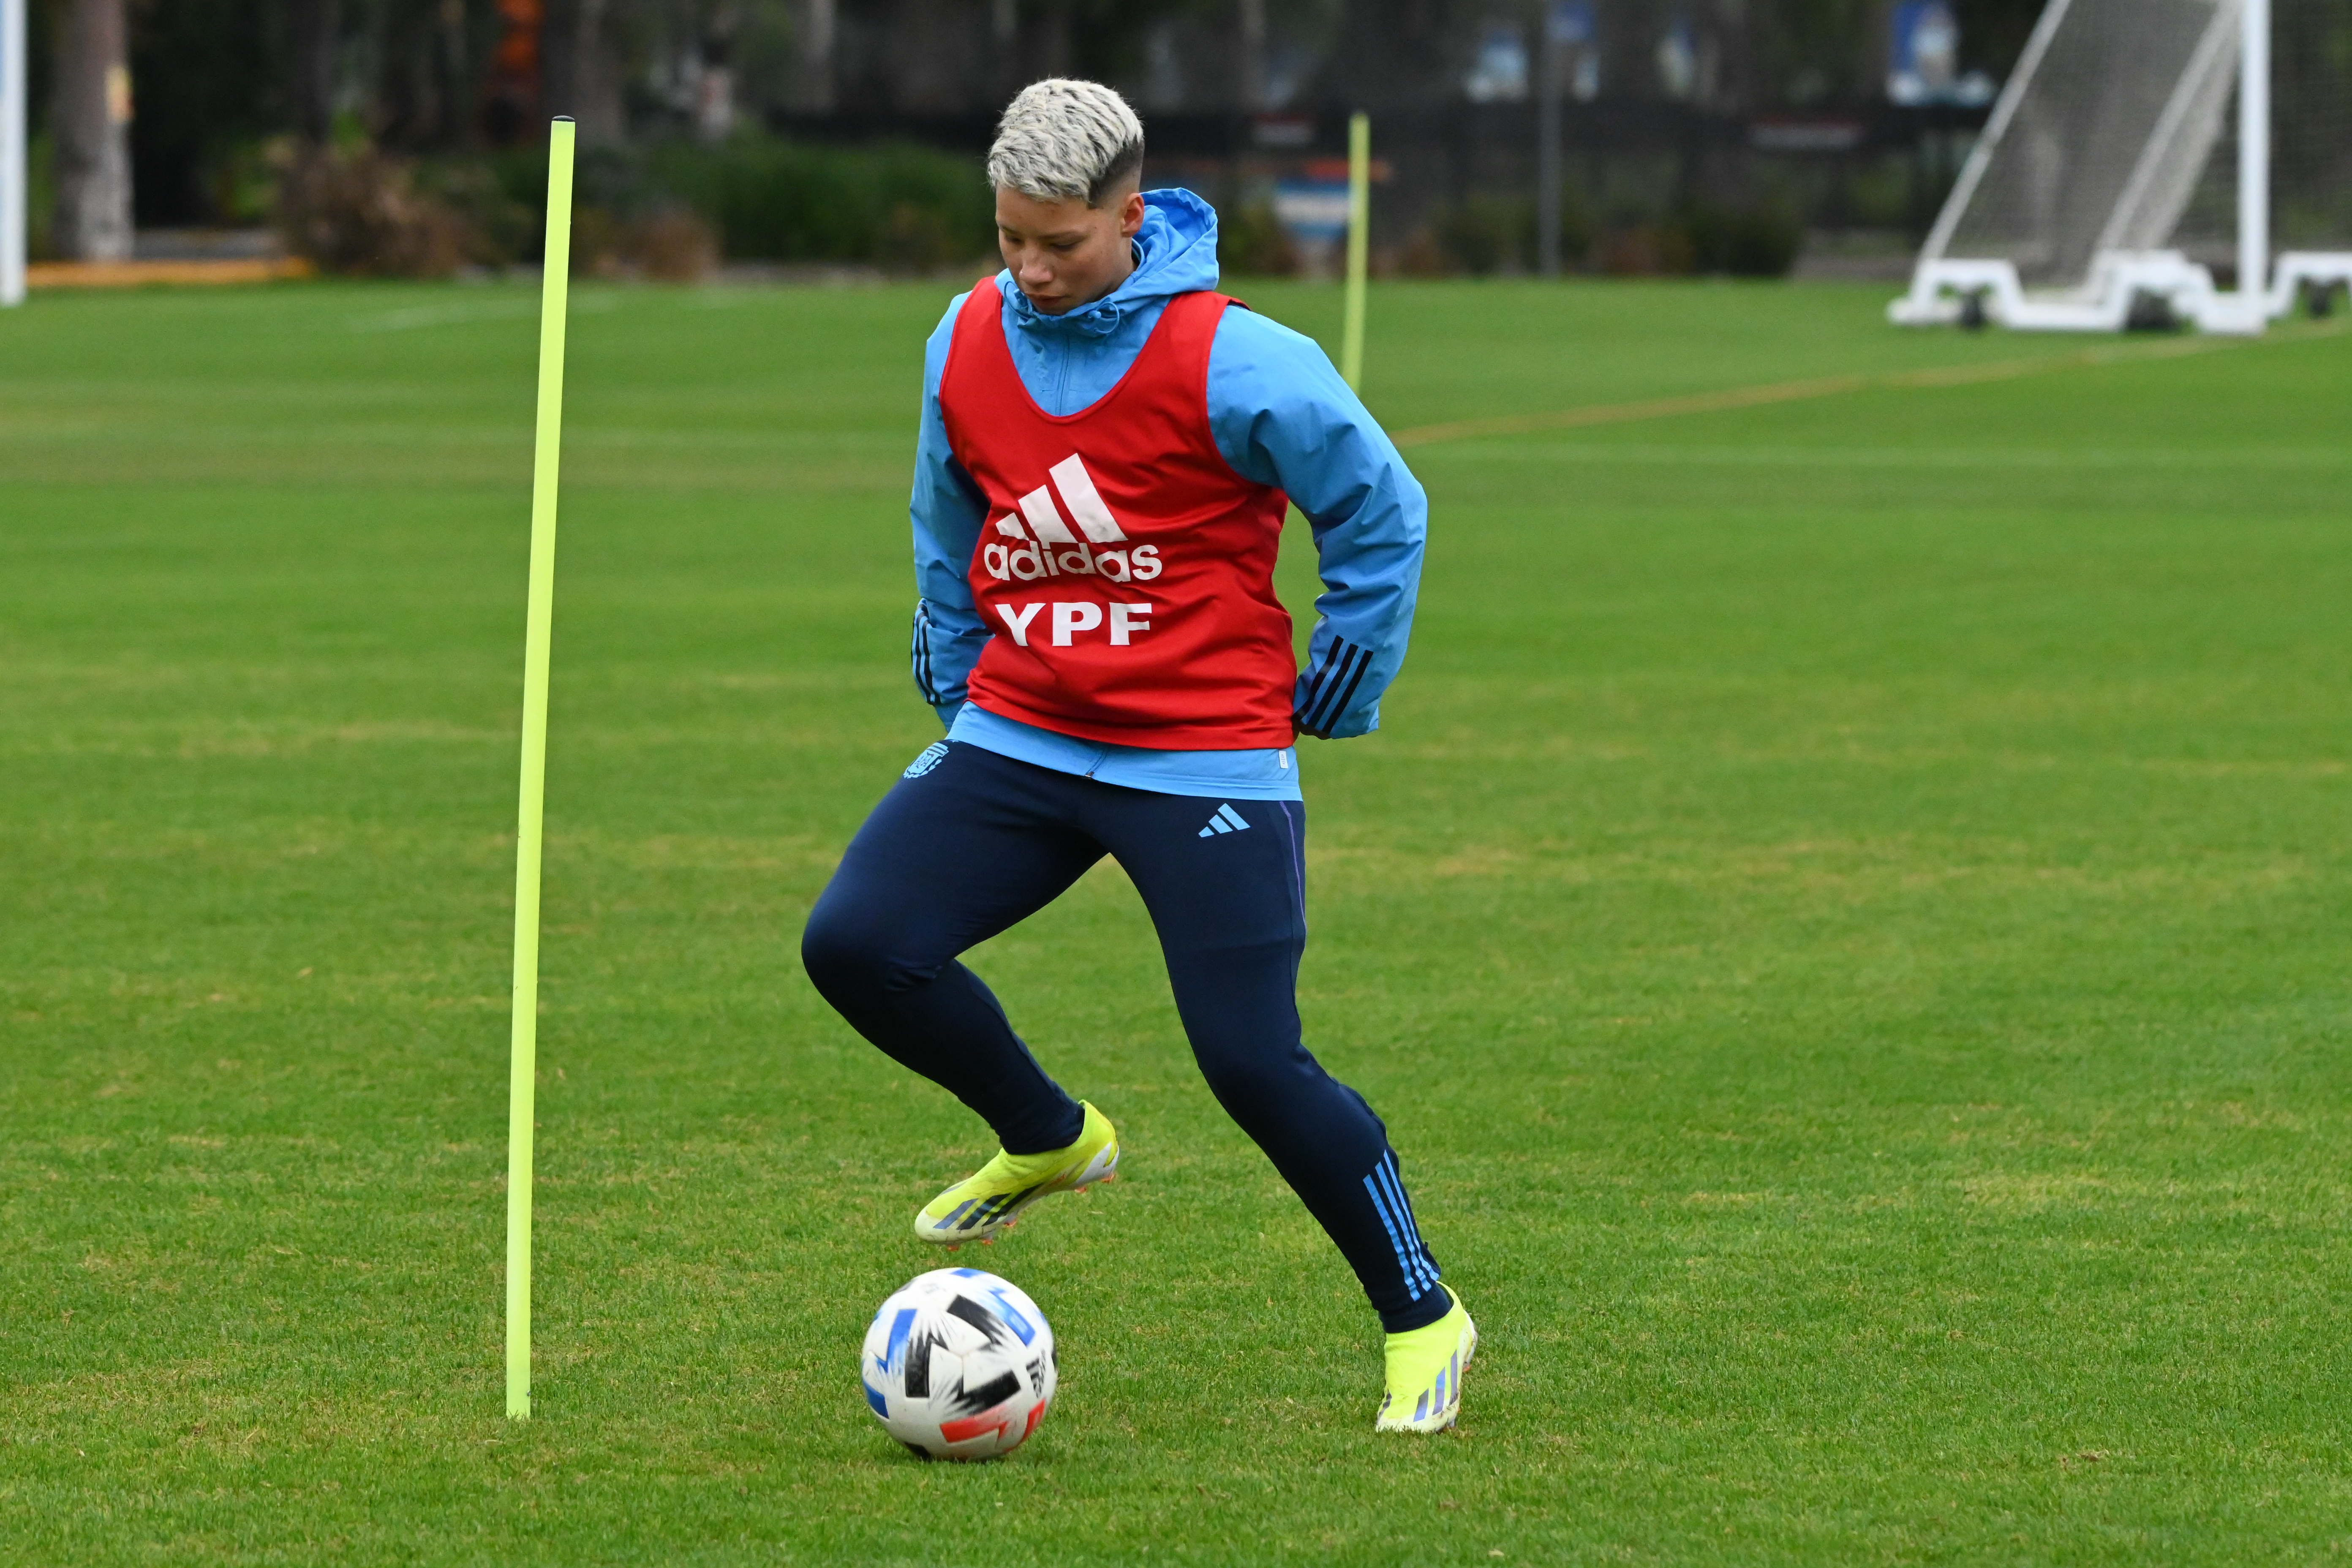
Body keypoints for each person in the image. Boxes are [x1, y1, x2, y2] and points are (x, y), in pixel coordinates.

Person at [800, 78, 1473, 1433]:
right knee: (857, 944)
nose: (1031, 271)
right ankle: (1052, 1135)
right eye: (1009, 240)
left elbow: (1382, 506)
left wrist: (1350, 659)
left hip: (1202, 754)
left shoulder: (1239, 356)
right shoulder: (967, 333)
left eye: (1062, 243)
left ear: (1133, 215)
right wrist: (949, 635)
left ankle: (1424, 1316)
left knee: (1251, 1063)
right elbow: (950, 495)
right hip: (1026, 726)